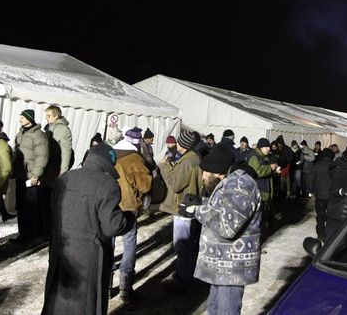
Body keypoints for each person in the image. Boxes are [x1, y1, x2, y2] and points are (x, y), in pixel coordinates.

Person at [42, 143, 135, 315]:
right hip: (89, 256)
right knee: (86, 305)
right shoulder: (107, 184)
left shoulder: (64, 178)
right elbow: (112, 226)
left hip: (60, 249)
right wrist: (129, 218)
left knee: (57, 300)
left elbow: (52, 214)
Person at [180, 142, 262, 315]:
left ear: (218, 171)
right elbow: (226, 209)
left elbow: (228, 226)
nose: (202, 177)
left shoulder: (240, 185)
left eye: (205, 172)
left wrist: (197, 211)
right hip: (222, 265)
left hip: (231, 268)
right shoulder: (230, 182)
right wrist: (200, 203)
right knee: (214, 310)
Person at [110, 128, 153, 301]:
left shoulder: (110, 154)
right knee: (129, 244)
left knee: (108, 245)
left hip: (109, 206)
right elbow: (145, 186)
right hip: (128, 207)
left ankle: (105, 286)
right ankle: (125, 287)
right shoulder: (135, 159)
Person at [158, 129, 204, 293]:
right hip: (192, 205)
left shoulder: (187, 161)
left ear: (182, 144)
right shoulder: (195, 158)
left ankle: (183, 280)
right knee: (190, 245)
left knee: (182, 245)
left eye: (178, 142)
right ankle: (187, 275)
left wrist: (164, 166)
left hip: (183, 207)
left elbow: (175, 184)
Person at [13, 109, 54, 243]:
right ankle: (23, 233)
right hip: (20, 174)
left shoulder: (38, 136)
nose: (20, 120)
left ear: (29, 119)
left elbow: (42, 156)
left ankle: (33, 235)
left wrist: (36, 175)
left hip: (31, 176)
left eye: (22, 117)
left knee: (31, 207)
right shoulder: (21, 132)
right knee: (21, 206)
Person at [310, 147, 334, 239]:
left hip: (320, 195)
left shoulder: (317, 165)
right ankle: (329, 235)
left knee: (320, 216)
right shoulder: (334, 166)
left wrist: (311, 190)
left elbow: (311, 179)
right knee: (330, 216)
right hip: (332, 195)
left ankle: (320, 234)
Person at [44, 105, 74, 175]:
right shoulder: (48, 128)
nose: (46, 117)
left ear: (56, 116)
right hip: (46, 166)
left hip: (55, 167)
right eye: (46, 115)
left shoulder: (64, 130)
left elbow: (66, 152)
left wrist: (63, 171)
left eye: (49, 116)